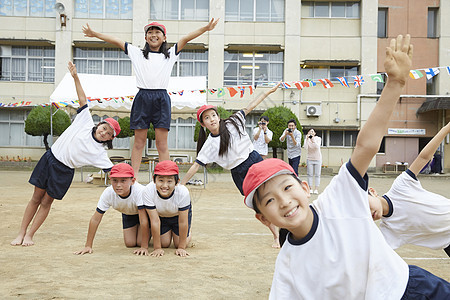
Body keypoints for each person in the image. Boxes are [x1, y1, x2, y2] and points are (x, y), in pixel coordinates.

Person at [243, 35, 450, 299]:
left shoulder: (338, 198)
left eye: (287, 187)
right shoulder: (288, 269)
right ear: (263, 218)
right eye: (270, 200)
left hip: (411, 288)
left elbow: (365, 146)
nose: (284, 201)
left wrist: (395, 84)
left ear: (305, 188)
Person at [82, 18, 219, 178]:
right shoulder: (137, 53)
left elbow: (185, 38)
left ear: (164, 37)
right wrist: (94, 34)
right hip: (142, 98)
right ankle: (132, 178)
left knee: (162, 144)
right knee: (139, 143)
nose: (153, 35)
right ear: (146, 37)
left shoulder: (170, 54)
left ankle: (167, 177)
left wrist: (206, 28)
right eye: (150, 32)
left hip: (161, 98)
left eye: (157, 32)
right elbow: (117, 41)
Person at [11, 62, 121, 247]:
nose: (104, 132)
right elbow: (82, 98)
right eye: (104, 127)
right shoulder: (85, 121)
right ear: (99, 125)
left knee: (46, 202)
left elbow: (115, 172)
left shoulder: (100, 153)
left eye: (109, 133)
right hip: (50, 159)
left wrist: (131, 186)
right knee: (36, 197)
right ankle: (20, 233)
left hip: (64, 171)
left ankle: (30, 235)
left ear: (110, 139)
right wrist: (75, 77)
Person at [180, 83, 282, 248]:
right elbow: (196, 166)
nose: (211, 119)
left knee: (275, 192)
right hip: (239, 173)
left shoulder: (233, 122)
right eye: (207, 118)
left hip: (254, 161)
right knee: (259, 206)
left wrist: (269, 92)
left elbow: (251, 105)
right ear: (203, 124)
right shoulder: (209, 145)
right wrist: (181, 183)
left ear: (218, 116)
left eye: (213, 115)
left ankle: (288, 222)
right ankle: (276, 235)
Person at [368, 121, 450, 257]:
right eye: (364, 213)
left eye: (366, 205)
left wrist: (446, 129)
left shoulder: (401, 186)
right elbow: (372, 255)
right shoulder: (388, 231)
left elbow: (424, 157)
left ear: (372, 191)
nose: (369, 212)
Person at [74, 163, 146, 255]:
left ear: (132, 181)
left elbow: (144, 220)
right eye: (115, 180)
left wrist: (144, 246)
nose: (118, 185)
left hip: (145, 214)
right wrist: (88, 245)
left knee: (140, 242)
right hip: (128, 213)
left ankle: (151, 231)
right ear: (110, 179)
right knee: (130, 243)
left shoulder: (140, 191)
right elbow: (95, 219)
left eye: (123, 180)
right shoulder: (108, 193)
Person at [134, 160, 192, 257]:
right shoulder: (148, 191)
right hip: (161, 217)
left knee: (178, 243)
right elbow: (154, 220)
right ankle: (169, 231)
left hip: (178, 217)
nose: (165, 185)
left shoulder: (183, 192)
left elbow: (183, 222)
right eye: (161, 180)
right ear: (154, 179)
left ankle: (188, 234)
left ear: (177, 182)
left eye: (169, 181)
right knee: (164, 243)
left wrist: (181, 247)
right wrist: (157, 248)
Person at [304, 128, 322, 194]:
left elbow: (317, 147)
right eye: (310, 132)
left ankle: (316, 189)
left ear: (314, 133)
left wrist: (312, 139)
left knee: (317, 174)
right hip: (310, 159)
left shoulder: (318, 138)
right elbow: (305, 147)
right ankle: (310, 188)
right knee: (310, 174)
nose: (311, 133)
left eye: (312, 132)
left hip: (318, 159)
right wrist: (306, 139)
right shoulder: (307, 139)